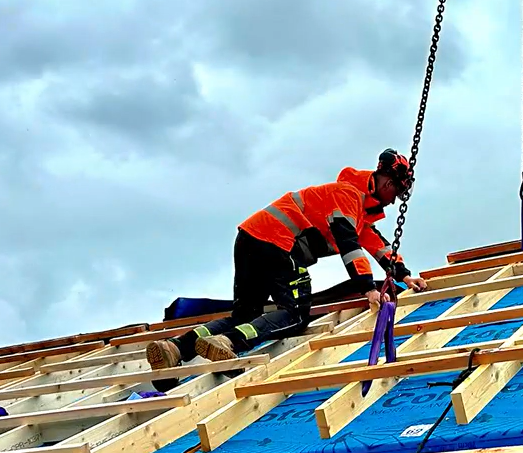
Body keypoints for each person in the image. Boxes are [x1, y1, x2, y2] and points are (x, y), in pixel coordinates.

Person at [147, 149, 428, 370]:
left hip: (250, 238)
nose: (395, 200)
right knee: (295, 313)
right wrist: (367, 287)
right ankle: (228, 341)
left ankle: (177, 347)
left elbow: (379, 247)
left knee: (245, 314)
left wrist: (404, 275)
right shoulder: (348, 195)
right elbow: (349, 244)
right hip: (277, 244)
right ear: (386, 181)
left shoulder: (359, 212)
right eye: (396, 191)